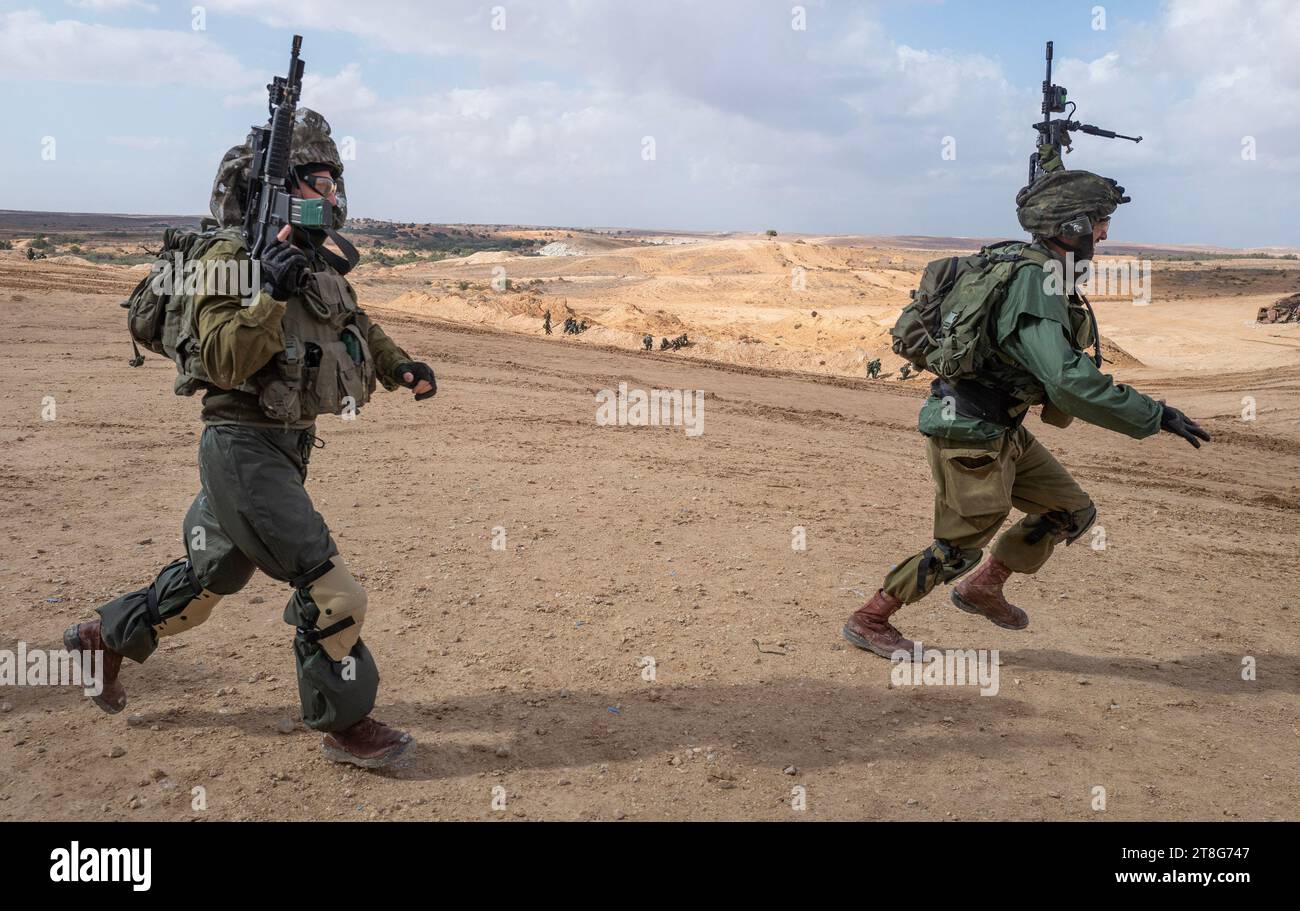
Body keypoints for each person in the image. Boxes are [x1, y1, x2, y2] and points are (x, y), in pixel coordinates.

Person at [65, 109, 436, 768]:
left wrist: (400, 365)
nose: (331, 191)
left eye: (333, 177)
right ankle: (344, 724)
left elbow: (353, 321)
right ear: (286, 185)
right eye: (318, 179)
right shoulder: (230, 258)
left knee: (207, 583)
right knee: (333, 592)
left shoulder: (315, 260)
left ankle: (104, 637)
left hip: (286, 449)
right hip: (240, 447)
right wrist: (263, 289)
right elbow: (222, 360)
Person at [843, 169, 1211, 658]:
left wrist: (1051, 147)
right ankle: (871, 618)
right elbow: (1068, 380)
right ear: (1071, 226)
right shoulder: (1035, 281)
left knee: (1070, 511)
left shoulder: (1031, 260)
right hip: (969, 430)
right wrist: (1154, 414)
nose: (1104, 233)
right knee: (956, 549)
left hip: (1002, 427)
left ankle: (985, 587)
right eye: (1100, 222)